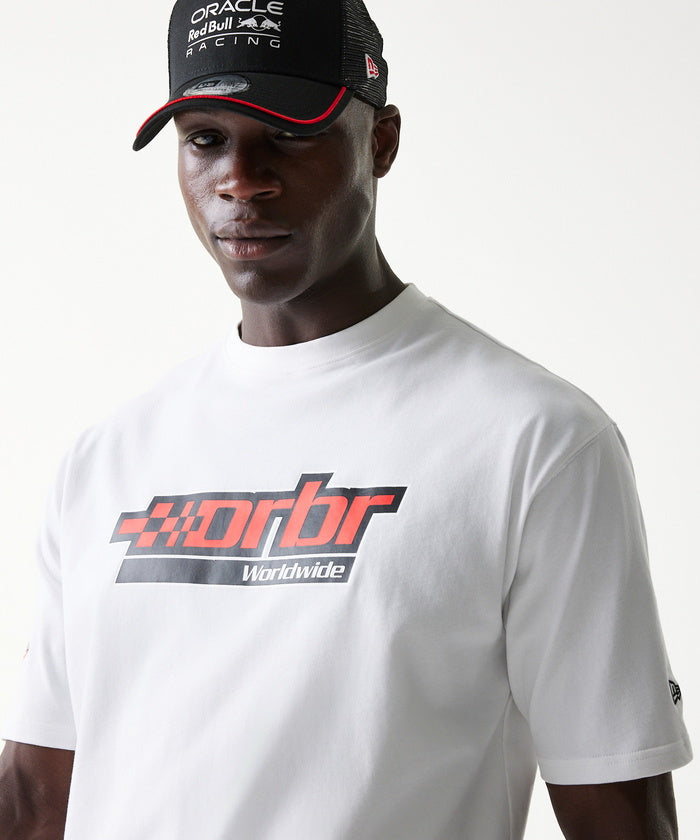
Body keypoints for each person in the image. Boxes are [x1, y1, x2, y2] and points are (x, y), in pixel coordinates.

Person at [0, 0, 692, 837]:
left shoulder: (535, 441)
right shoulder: (107, 459)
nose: (241, 180)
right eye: (206, 139)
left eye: (288, 134)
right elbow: (34, 800)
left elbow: (617, 816)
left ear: (382, 142)